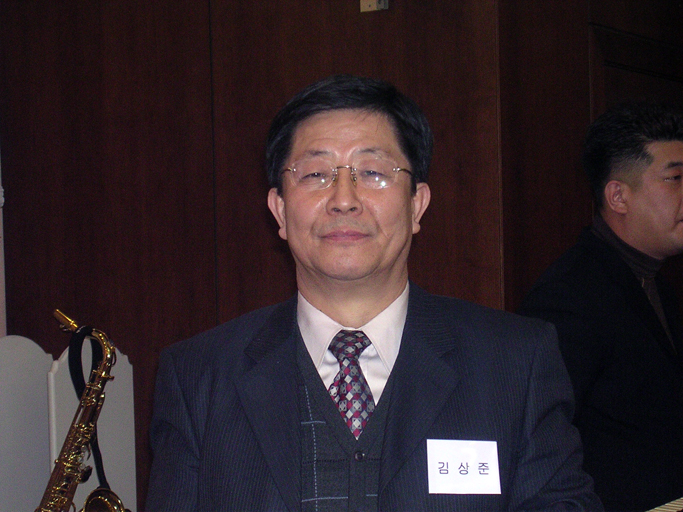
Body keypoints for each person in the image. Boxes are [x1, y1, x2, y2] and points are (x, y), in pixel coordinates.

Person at [146, 74, 601, 511]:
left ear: (417, 204)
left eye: (372, 171)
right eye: (315, 174)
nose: (344, 199)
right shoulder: (199, 377)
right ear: (279, 211)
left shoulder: (515, 363)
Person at [519, 102, 683, 511]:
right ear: (618, 196)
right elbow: (540, 440)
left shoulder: (657, 284)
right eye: (676, 178)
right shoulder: (570, 295)